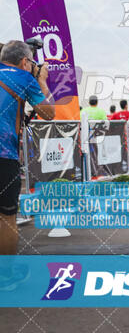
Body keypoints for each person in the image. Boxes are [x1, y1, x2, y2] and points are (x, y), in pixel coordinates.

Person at [0, 41, 55, 259]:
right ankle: (6, 276)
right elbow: (49, 113)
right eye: (31, 62)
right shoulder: (24, 78)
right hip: (4, 155)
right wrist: (40, 80)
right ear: (24, 61)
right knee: (6, 217)